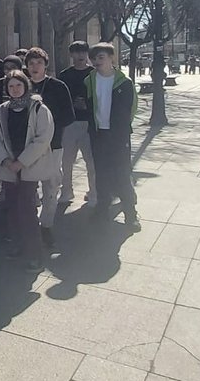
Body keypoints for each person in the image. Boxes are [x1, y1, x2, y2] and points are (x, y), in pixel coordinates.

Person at [0, 71, 58, 272]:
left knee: (27, 209)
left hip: (30, 166)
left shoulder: (38, 108)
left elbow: (43, 138)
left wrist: (22, 162)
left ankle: (35, 254)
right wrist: (5, 159)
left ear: (26, 86)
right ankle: (17, 244)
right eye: (10, 86)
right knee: (12, 207)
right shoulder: (3, 110)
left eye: (18, 85)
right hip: (9, 166)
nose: (14, 89)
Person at [86, 42, 139, 230]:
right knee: (101, 175)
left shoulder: (124, 82)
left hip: (118, 136)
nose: (97, 62)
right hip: (99, 134)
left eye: (101, 57)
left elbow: (132, 109)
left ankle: (130, 214)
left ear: (111, 58)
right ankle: (102, 211)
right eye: (94, 58)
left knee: (122, 174)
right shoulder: (89, 80)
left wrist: (121, 130)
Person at [25, 47, 73, 249]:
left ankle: (46, 225)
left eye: (39, 63)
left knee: (51, 187)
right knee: (28, 188)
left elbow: (69, 116)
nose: (35, 67)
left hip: (53, 146)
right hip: (27, 148)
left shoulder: (58, 86)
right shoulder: (21, 85)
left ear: (46, 65)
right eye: (31, 63)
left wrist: (47, 128)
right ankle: (28, 225)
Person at [58, 41, 98, 208]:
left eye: (83, 52)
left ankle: (94, 192)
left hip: (89, 123)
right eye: (77, 52)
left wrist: (87, 105)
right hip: (70, 123)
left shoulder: (94, 74)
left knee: (91, 161)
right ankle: (67, 190)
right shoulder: (65, 75)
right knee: (66, 161)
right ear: (71, 55)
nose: (81, 55)